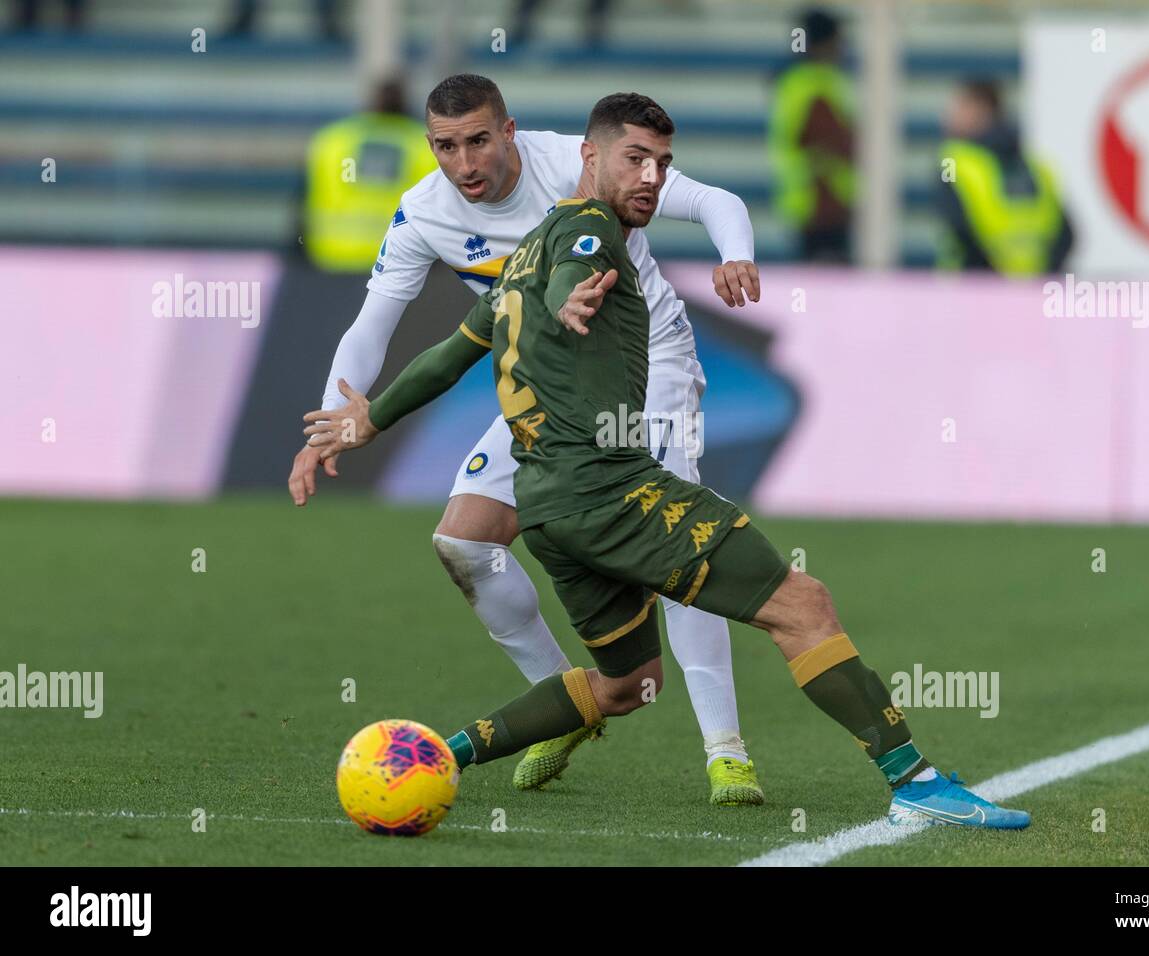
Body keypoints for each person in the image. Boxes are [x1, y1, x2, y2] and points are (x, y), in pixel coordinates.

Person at [303, 93, 1032, 831]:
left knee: (627, 683)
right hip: (609, 487)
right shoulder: (586, 228)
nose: (651, 179)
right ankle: (914, 779)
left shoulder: (520, 250)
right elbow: (573, 269)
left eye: (662, 165)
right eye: (636, 162)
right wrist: (568, 302)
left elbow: (445, 356)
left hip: (548, 503)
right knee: (802, 604)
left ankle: (437, 756)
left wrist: (366, 420)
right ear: (587, 160)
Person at [289, 74, 768, 806]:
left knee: (677, 548)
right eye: (447, 147)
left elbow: (711, 200)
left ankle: (726, 750)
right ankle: (565, 705)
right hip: (546, 380)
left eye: (479, 140)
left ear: (509, 133)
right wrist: (329, 423)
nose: (466, 163)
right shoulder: (422, 212)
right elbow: (372, 325)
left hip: (649, 365)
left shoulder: (571, 163)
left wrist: (734, 252)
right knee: (463, 542)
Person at [934, 78, 1074, 275]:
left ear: (981, 110)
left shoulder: (951, 161)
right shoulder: (1037, 167)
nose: (948, 116)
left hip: (971, 289)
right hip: (1033, 289)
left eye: (959, 107)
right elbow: (1067, 236)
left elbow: (955, 223)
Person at [302, 78, 437, 273]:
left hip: (333, 256)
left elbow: (303, 203)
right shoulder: (427, 146)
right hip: (401, 262)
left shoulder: (332, 140)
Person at [768, 7, 856, 263]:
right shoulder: (817, 85)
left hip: (805, 201)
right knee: (828, 283)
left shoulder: (793, 82)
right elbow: (834, 143)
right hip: (824, 203)